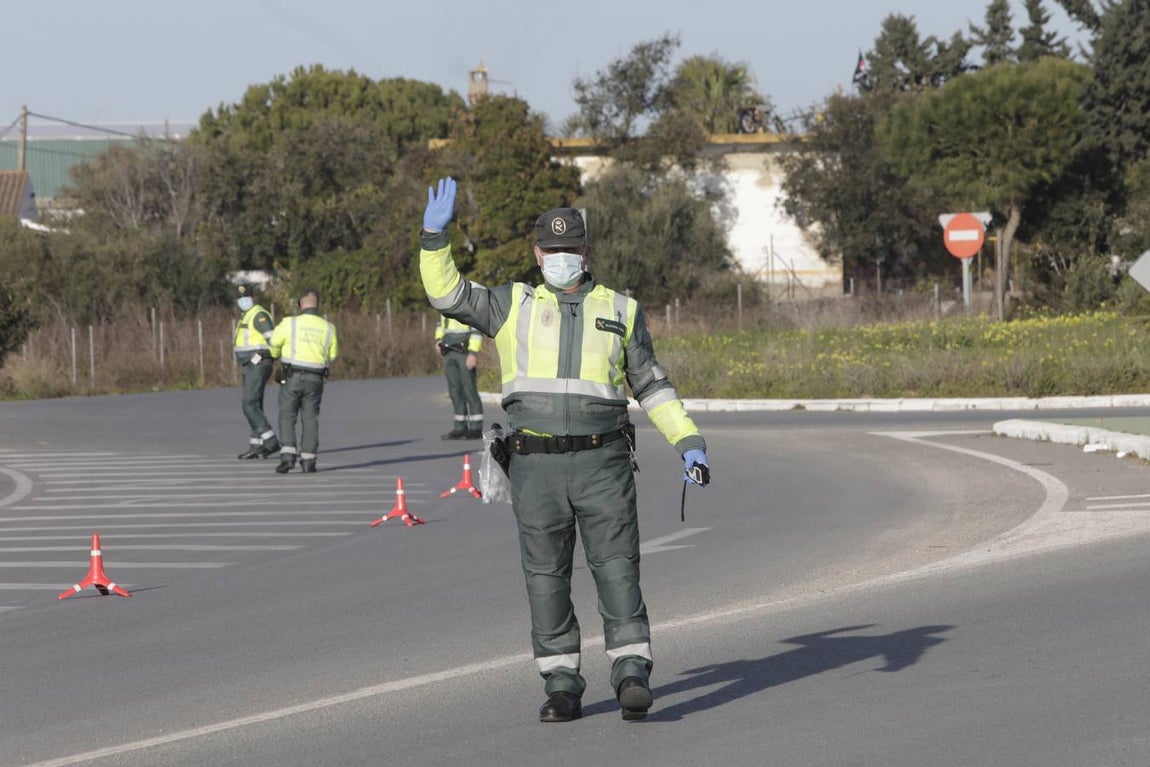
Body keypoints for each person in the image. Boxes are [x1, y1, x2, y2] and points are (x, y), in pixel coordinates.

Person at [418, 177, 710, 723]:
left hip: (604, 463)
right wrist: (434, 238)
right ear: (537, 254)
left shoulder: (621, 310)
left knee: (617, 568)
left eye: (569, 249)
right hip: (534, 465)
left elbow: (650, 384)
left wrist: (687, 441)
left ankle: (630, 674)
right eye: (550, 250)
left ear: (586, 252)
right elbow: (447, 294)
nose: (559, 258)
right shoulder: (510, 304)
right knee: (546, 576)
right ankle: (561, 685)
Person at [267, 288, 339, 474]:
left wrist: (275, 357)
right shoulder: (328, 327)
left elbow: (274, 343)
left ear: (300, 304)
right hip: (316, 378)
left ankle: (288, 457)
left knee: (287, 415)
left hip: (292, 376)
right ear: (318, 305)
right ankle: (308, 461)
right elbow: (333, 354)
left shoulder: (289, 323)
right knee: (310, 418)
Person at [232, 283, 281, 459]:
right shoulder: (247, 315)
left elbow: (273, 339)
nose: (242, 300)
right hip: (250, 364)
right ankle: (256, 446)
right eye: (239, 298)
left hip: (258, 362)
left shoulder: (258, 315)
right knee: (255, 405)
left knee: (249, 404)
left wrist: (273, 358)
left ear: (253, 297)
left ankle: (271, 441)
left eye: (246, 297)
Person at [435, 313, 485, 440]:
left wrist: (473, 353)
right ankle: (459, 427)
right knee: (454, 390)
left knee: (469, 389)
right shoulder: (445, 305)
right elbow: (440, 325)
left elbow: (476, 330)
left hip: (465, 352)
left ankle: (476, 428)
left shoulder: (466, 305)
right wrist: (438, 340)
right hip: (448, 351)